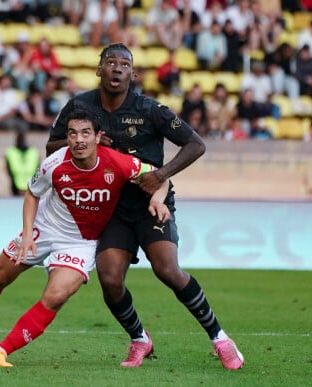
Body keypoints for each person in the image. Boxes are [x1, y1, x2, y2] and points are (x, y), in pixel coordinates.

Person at [46, 43, 244, 370]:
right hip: (109, 207)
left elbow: (196, 144)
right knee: (110, 279)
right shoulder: (79, 105)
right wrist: (86, 142)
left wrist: (162, 175)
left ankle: (220, 338)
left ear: (132, 74)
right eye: (111, 62)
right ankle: (139, 339)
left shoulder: (150, 109)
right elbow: (51, 145)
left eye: (125, 64)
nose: (117, 68)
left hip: (151, 201)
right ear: (99, 70)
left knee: (167, 269)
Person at [0, 108, 170, 366]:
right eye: (73, 134)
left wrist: (158, 200)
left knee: (56, 296)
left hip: (81, 242)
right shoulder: (54, 164)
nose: (79, 140)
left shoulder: (119, 163)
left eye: (85, 133)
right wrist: (27, 234)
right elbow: (32, 193)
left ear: (98, 137)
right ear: (67, 137)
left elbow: (161, 177)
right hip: (45, 227)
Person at [5, 131, 40, 196]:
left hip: (27, 186)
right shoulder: (11, 152)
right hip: (18, 186)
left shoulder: (33, 152)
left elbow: (38, 170)